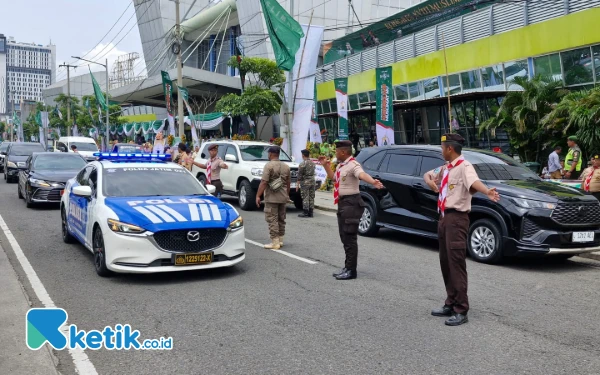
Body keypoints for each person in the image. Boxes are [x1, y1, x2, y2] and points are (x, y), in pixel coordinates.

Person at [424, 133, 500, 326]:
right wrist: (430, 181)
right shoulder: (446, 168)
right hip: (444, 217)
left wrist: (487, 191)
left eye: (442, 148)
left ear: (450, 148)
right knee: (445, 262)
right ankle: (450, 302)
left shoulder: (465, 167)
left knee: (456, 264)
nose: (441, 151)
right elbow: (427, 174)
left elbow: (474, 182)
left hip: (457, 219)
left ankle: (461, 309)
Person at [319, 140, 384, 280]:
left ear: (343, 152)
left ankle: (351, 270)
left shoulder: (353, 165)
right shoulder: (342, 166)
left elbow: (361, 174)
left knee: (350, 238)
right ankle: (347, 266)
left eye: (337, 151)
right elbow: (334, 179)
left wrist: (373, 181)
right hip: (343, 203)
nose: (335, 153)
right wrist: (326, 166)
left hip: (351, 203)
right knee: (344, 236)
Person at [255, 146, 291, 250]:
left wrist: (258, 195)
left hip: (272, 197)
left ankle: (275, 242)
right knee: (281, 218)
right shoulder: (286, 166)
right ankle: (280, 240)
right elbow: (288, 183)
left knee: (272, 219)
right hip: (283, 197)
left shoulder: (268, 166)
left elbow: (264, 182)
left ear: (270, 154)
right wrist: (287, 194)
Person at [297, 149, 316, 218]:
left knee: (305, 196)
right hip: (312, 181)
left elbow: (299, 175)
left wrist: (297, 183)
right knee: (311, 196)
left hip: (305, 181)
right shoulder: (313, 163)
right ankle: (311, 212)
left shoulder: (302, 164)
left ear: (303, 155)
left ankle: (305, 212)